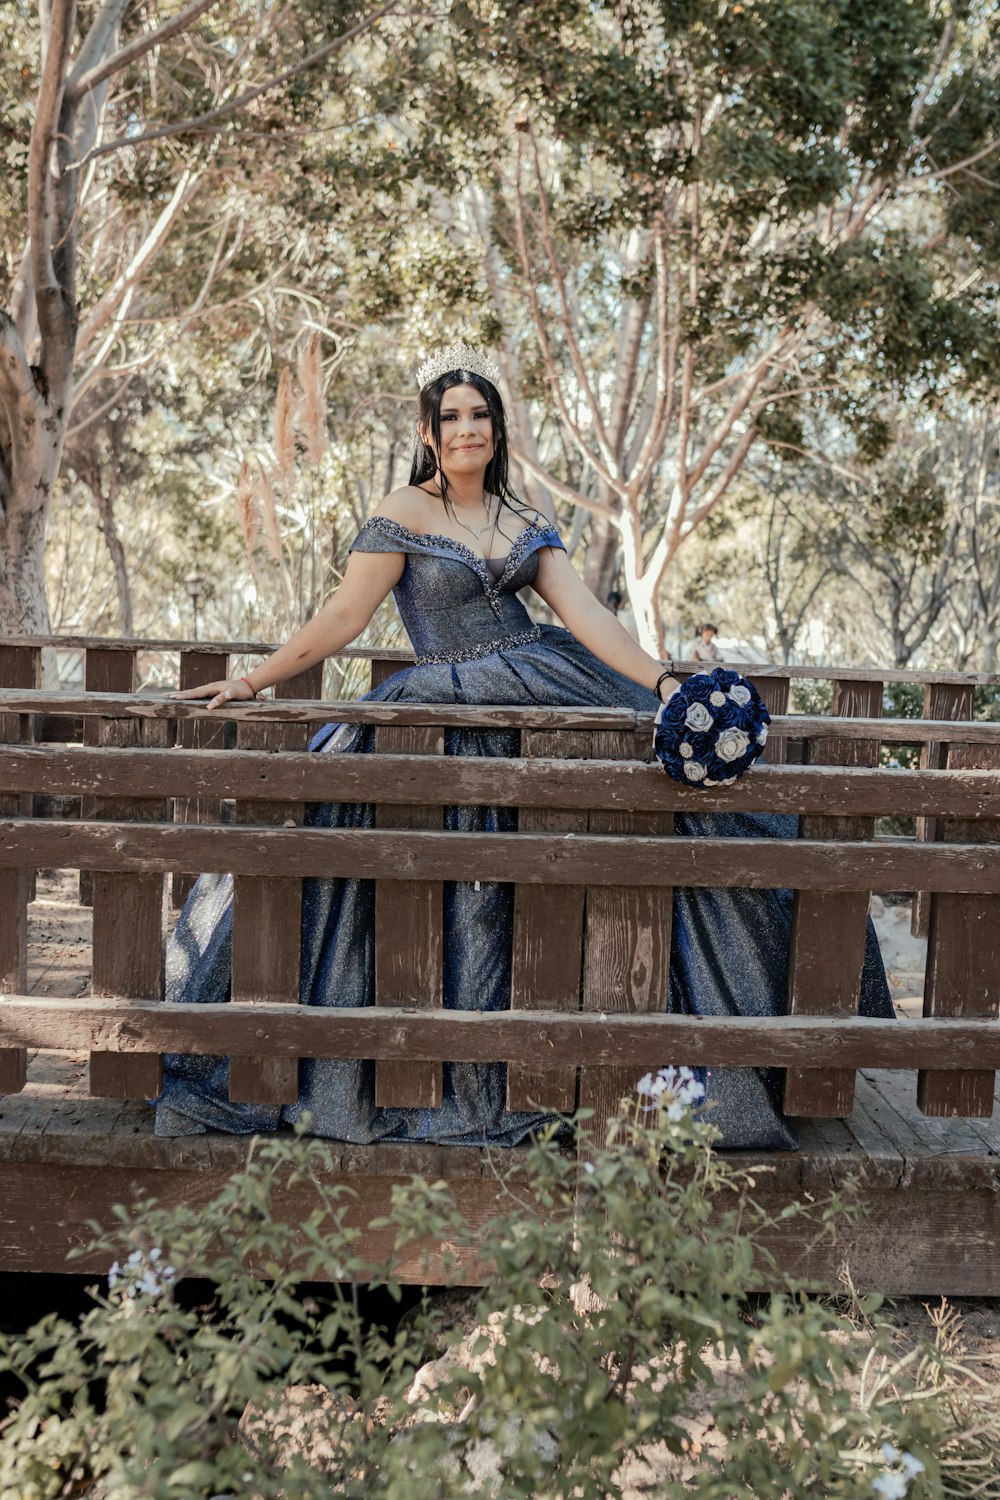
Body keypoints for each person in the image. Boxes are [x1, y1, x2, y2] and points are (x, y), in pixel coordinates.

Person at [157, 343, 892, 1148]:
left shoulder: (525, 522)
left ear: (497, 431)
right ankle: (431, 1074)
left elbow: (589, 619)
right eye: (452, 418)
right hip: (439, 701)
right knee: (408, 859)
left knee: (649, 834)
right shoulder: (403, 512)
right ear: (429, 433)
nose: (467, 429)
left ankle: (605, 1066)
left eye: (480, 416)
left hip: (546, 688)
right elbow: (343, 618)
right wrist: (252, 683)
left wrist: (664, 686)